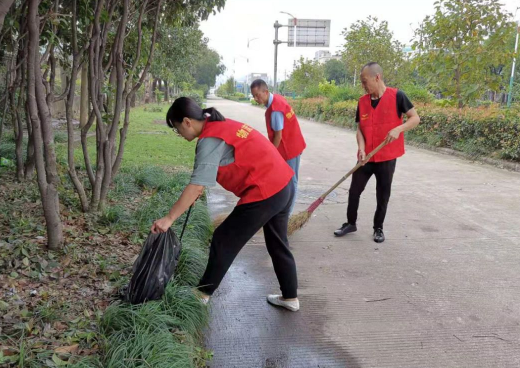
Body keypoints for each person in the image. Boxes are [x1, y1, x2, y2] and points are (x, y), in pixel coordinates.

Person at [151, 97, 300, 312]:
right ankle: (290, 297)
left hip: (266, 189)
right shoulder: (219, 124)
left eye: (176, 129)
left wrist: (169, 219)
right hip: (283, 183)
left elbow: (196, 185)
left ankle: (202, 294)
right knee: (277, 242)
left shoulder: (210, 138)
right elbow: (203, 180)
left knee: (223, 238)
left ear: (186, 122)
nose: (179, 134)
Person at [334, 62, 420, 243]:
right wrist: (361, 149)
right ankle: (350, 223)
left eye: (365, 82)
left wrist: (399, 129)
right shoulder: (362, 102)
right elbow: (360, 130)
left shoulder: (398, 96)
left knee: (382, 194)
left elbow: (415, 118)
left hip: (387, 157)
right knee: (354, 190)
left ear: (377, 77)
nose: (363, 86)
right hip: (366, 157)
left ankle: (378, 228)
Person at [250, 79, 306, 213]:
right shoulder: (277, 99)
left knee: (291, 182)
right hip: (292, 144)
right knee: (287, 180)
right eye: (254, 96)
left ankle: (287, 216)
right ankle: (284, 211)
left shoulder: (275, 110)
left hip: (290, 149)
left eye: (258, 95)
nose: (256, 98)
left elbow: (278, 136)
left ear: (266, 92)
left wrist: (270, 154)